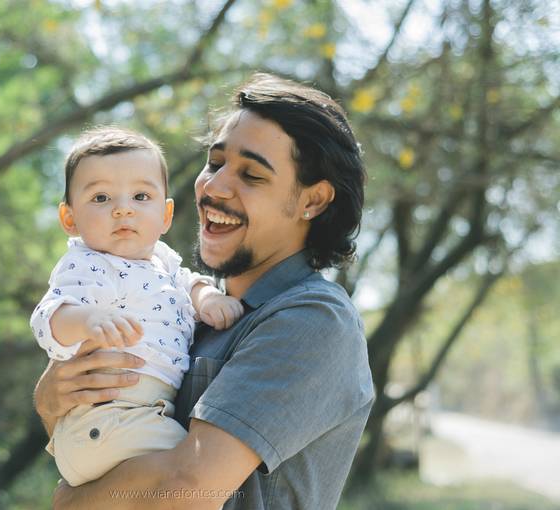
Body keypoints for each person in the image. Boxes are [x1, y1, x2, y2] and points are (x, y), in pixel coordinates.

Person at [34, 73, 375, 509]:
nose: (213, 187)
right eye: (214, 164)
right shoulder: (184, 304)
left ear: (312, 201)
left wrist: (69, 502)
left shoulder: (314, 320)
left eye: (251, 174)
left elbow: (186, 490)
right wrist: (49, 403)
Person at [29, 127, 244, 486]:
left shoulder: (163, 261)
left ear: (165, 214)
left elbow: (188, 282)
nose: (123, 209)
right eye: (101, 198)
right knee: (194, 472)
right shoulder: (89, 265)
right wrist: (87, 319)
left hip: (142, 415)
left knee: (190, 472)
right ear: (70, 219)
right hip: (108, 416)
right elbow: (47, 317)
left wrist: (208, 298)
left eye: (141, 196)